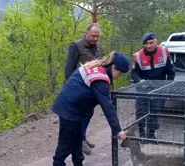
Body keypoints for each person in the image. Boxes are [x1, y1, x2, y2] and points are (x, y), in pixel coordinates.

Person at [51, 52, 130, 166]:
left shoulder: (97, 67)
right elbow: (107, 106)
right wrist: (118, 130)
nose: (119, 76)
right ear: (114, 67)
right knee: (65, 146)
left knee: (78, 142)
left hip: (74, 109)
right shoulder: (101, 79)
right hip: (69, 110)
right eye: (120, 73)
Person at [64, 23, 101, 155]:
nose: (95, 39)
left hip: (91, 87)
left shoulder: (97, 47)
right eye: (93, 36)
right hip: (78, 87)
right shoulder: (76, 46)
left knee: (89, 113)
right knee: (81, 115)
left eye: (97, 36)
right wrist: (70, 89)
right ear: (86, 33)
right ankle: (80, 141)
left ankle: (83, 137)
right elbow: (68, 69)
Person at [130, 32, 175, 139]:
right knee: (141, 112)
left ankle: (151, 134)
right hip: (143, 88)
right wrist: (139, 81)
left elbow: (171, 71)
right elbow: (133, 73)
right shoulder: (138, 56)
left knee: (155, 111)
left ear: (156, 42)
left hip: (159, 88)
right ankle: (141, 133)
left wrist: (167, 85)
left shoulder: (164, 52)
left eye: (151, 43)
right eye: (146, 43)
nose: (149, 46)